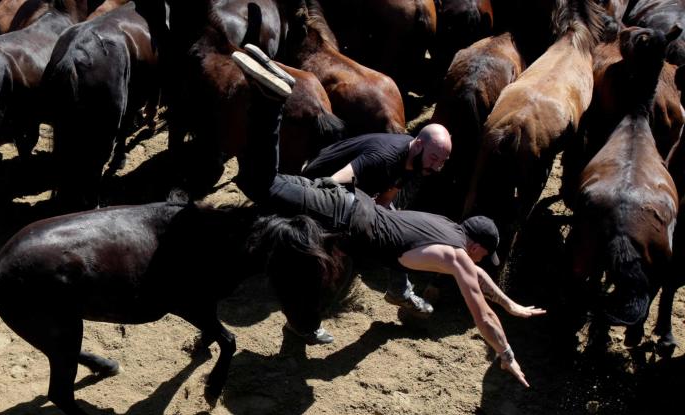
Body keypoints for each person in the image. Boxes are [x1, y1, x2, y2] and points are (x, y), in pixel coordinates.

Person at [230, 45, 545, 386]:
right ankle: (272, 101)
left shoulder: (447, 228)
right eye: (484, 256)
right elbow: (481, 313)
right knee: (262, 185)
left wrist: (511, 305)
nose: (480, 263)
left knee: (257, 182)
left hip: (351, 205)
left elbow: (480, 283)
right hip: (341, 211)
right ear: (476, 247)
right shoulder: (455, 255)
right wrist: (506, 354)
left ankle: (266, 94)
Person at [302, 121, 453, 326]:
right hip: (316, 189)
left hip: (352, 194)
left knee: (399, 230)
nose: (436, 167)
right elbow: (332, 182)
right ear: (418, 144)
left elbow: (386, 200)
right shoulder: (384, 157)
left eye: (442, 162)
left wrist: (382, 227)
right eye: (434, 158)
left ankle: (399, 291)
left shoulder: (415, 161)